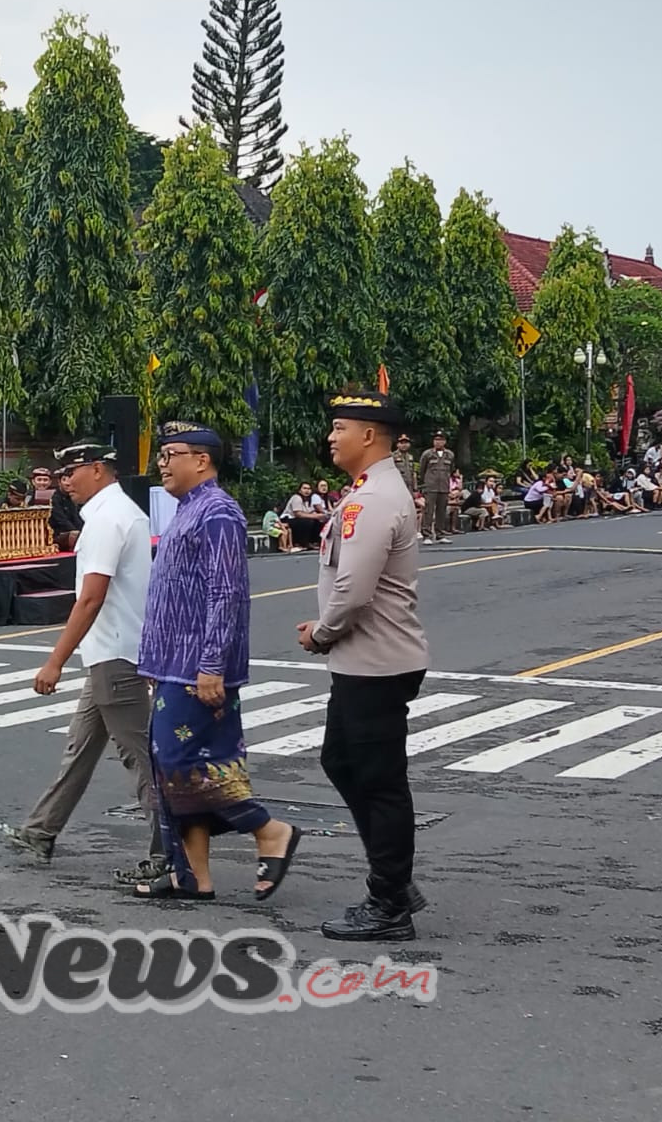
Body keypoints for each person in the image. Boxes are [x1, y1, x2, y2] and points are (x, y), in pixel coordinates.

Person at [131, 422, 301, 902]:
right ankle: (192, 876)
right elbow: (173, 594)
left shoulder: (218, 512)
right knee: (176, 769)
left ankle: (269, 831)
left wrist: (212, 665)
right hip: (172, 665)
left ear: (201, 460)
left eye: (171, 454)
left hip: (196, 668)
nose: (162, 463)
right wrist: (153, 659)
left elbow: (226, 594)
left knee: (188, 766)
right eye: (161, 455)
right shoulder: (187, 510)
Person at [295, 393, 430, 942]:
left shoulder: (371, 501)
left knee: (380, 783)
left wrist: (321, 632)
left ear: (370, 436)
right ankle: (393, 875)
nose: (331, 436)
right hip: (365, 660)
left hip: (375, 661)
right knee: (342, 762)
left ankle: (390, 903)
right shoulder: (368, 493)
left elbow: (352, 592)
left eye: (339, 427)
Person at [0, 441, 163, 884]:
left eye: (71, 473)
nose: (63, 482)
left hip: (115, 653)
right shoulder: (120, 513)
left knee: (141, 757)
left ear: (98, 470)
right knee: (80, 748)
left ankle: (168, 849)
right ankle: (40, 830)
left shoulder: (108, 519)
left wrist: (54, 661)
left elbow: (91, 598)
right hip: (110, 651)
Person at [417, 431, 454, 545]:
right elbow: (422, 470)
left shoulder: (450, 454)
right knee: (429, 511)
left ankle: (440, 534)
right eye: (436, 440)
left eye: (441, 440)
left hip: (443, 486)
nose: (438, 442)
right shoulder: (427, 454)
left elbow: (451, 469)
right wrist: (425, 483)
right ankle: (427, 535)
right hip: (431, 486)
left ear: (445, 442)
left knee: (441, 511)